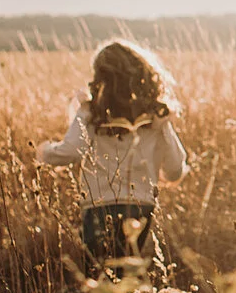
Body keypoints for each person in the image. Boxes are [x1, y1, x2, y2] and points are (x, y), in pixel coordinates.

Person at [37, 39, 190, 272]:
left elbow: (70, 151)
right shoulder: (156, 117)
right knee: (127, 274)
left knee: (101, 276)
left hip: (99, 206)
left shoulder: (91, 112)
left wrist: (43, 151)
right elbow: (175, 169)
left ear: (100, 78)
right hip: (141, 207)